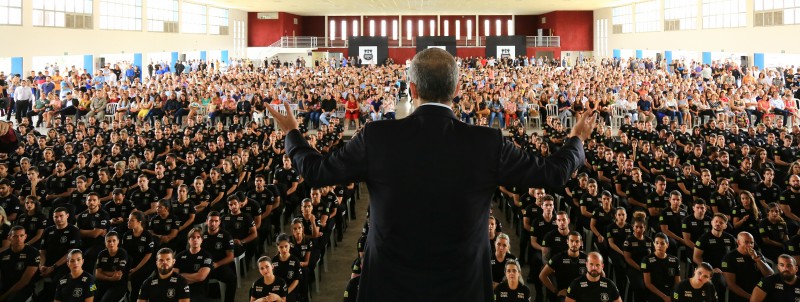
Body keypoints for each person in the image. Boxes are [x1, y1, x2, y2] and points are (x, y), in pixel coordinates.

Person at [268, 48, 593, 301]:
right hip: (461, 288)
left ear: (411, 89)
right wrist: (576, 137)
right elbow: (554, 174)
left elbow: (315, 172)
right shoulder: (486, 143)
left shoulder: (377, 137)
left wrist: (293, 133)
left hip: (390, 287)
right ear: (457, 88)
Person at [720, 232, 774, 302]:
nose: (750, 245)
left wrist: (757, 260)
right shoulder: (729, 258)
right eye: (746, 242)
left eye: (752, 243)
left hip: (759, 292)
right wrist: (751, 297)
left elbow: (770, 275)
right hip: (741, 295)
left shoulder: (757, 254)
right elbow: (731, 284)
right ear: (738, 242)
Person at [0, 226, 39, 302]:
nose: (19, 239)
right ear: (9, 238)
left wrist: (3, 297)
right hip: (5, 287)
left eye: (21, 236)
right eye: (15, 236)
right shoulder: (2, 255)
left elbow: (24, 281)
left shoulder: (33, 253)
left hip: (23, 289)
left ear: (25, 237)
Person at [94, 231, 129, 302]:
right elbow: (97, 275)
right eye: (109, 241)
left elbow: (118, 275)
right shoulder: (102, 254)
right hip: (103, 283)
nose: (111, 243)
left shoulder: (122, 253)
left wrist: (103, 272)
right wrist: (110, 277)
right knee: (91, 297)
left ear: (118, 241)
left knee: (105, 300)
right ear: (105, 243)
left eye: (114, 240)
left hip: (118, 285)